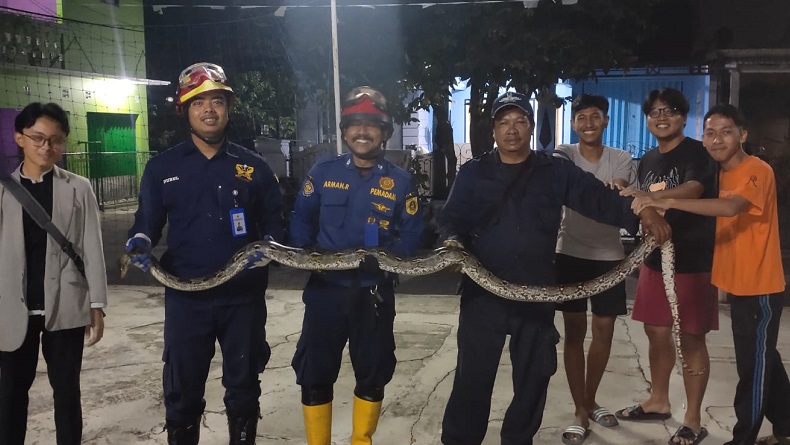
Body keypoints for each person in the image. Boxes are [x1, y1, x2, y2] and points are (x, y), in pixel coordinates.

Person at [437, 91, 671, 445]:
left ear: (532, 127)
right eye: (504, 123)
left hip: (538, 291)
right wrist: (453, 245)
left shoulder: (554, 170)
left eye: (520, 121)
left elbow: (598, 198)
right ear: (494, 130)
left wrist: (642, 211)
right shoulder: (474, 172)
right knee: (472, 375)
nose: (512, 130)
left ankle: (518, 439)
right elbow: (451, 220)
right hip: (482, 294)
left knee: (533, 376)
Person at [125, 62, 285, 444]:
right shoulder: (162, 168)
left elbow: (278, 225)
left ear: (229, 108)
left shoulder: (255, 166)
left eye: (217, 101)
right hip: (185, 298)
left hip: (242, 297)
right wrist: (141, 241)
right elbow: (146, 222)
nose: (209, 110)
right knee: (182, 389)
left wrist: (270, 250)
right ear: (186, 110)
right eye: (199, 103)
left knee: (244, 385)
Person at [631, 104, 790, 445]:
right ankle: (786, 426)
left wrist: (667, 202)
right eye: (710, 133)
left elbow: (729, 208)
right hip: (735, 283)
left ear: (742, 135)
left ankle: (742, 437)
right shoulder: (716, 175)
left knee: (753, 367)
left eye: (726, 131)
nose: (717, 139)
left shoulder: (755, 170)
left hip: (760, 286)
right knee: (767, 360)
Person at [288, 86, 424, 445]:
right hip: (325, 293)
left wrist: (388, 260)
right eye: (355, 125)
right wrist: (306, 253)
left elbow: (412, 236)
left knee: (373, 373)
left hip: (373, 295)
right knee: (314, 373)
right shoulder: (323, 170)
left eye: (371, 125)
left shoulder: (400, 181)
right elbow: (301, 220)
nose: (362, 132)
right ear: (345, 131)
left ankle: (360, 440)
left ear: (384, 132)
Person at [0, 102, 107, 445]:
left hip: (65, 308)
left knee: (67, 393)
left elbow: (92, 246)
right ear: (20, 138)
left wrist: (97, 303)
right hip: (12, 309)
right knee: (11, 395)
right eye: (38, 138)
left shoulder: (79, 188)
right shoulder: (3, 191)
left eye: (56, 140)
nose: (47, 147)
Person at [616, 88, 719, 445]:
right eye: (654, 112)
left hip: (692, 260)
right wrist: (630, 192)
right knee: (656, 332)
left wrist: (649, 197)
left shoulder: (697, 153)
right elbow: (636, 197)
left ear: (683, 116)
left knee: (691, 337)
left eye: (670, 111)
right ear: (647, 119)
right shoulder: (646, 161)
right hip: (654, 260)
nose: (662, 117)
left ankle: (692, 418)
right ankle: (658, 400)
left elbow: (694, 188)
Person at [554, 94, 637, 444]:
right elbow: (554, 168)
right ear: (574, 124)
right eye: (581, 118)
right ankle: (580, 411)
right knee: (574, 333)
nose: (588, 123)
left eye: (595, 117)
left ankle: (589, 401)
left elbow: (618, 191)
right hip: (569, 253)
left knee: (604, 332)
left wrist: (618, 189)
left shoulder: (621, 158)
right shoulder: (565, 153)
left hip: (609, 255)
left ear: (605, 122)